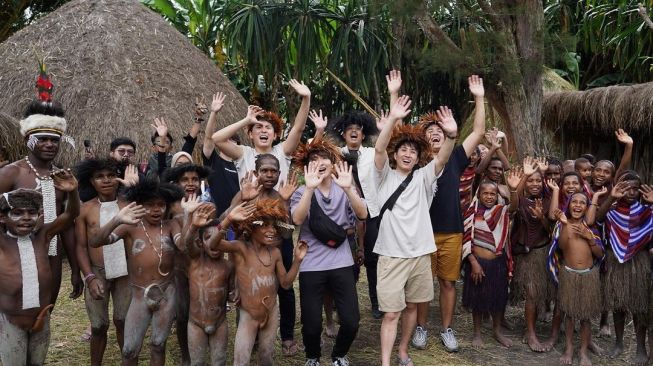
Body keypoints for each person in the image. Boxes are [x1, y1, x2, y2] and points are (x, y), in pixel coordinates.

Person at [373, 95, 457, 366]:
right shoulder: (384, 176)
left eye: (413, 151)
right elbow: (378, 149)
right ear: (395, 155)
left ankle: (403, 352)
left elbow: (442, 158)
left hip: (421, 254)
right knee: (391, 314)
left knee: (412, 307)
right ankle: (386, 362)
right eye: (403, 150)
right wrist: (394, 118)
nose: (408, 154)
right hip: (391, 256)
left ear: (419, 156)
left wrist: (452, 135)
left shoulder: (424, 177)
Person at [414, 74, 486, 352]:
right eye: (431, 132)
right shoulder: (416, 162)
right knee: (422, 286)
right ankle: (420, 327)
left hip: (452, 232)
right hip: (422, 233)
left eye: (441, 131)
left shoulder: (456, 157)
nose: (436, 134)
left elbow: (478, 133)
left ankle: (446, 329)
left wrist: (479, 97)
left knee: (447, 283)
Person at [0, 64, 83, 305]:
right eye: (43, 139)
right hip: (13, 251)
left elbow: (67, 224)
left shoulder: (62, 178)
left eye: (54, 140)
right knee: (13, 312)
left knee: (45, 309)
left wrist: (76, 269)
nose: (50, 144)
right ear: (28, 140)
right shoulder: (10, 173)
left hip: (51, 253)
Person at [89, 179, 185, 366]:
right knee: (129, 350)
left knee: (158, 344)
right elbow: (95, 241)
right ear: (140, 205)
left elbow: (184, 246)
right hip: (139, 296)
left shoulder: (172, 226)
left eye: (161, 205)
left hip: (166, 293)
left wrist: (191, 221)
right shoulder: (130, 227)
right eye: (150, 205)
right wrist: (116, 219)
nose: (156, 210)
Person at [290, 137, 368, 366]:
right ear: (307, 166)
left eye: (325, 157)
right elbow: (297, 218)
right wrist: (309, 189)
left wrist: (348, 188)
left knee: (352, 321)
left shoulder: (344, 188)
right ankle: (312, 356)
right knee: (312, 324)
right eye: (314, 159)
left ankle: (339, 355)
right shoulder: (302, 191)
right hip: (312, 265)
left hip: (342, 262)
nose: (320, 162)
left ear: (333, 163)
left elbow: (363, 214)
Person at [203, 199, 308, 366]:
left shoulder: (275, 253)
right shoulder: (240, 248)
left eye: (274, 226)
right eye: (265, 225)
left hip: (271, 314)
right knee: (241, 360)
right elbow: (213, 244)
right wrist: (228, 219)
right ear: (251, 227)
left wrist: (297, 261)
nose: (271, 230)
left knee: (266, 358)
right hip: (249, 315)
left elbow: (286, 284)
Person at [0, 169, 80, 365]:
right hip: (11, 322)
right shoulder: (2, 242)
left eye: (32, 212)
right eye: (17, 213)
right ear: (2, 218)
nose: (26, 218)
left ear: (40, 215)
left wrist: (73, 192)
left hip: (41, 320)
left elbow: (71, 214)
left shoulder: (43, 236)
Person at [226, 153, 301, 356]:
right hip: (246, 255)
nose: (269, 175)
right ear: (256, 173)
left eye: (273, 171)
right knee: (244, 295)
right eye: (264, 171)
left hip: (274, 254)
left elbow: (286, 233)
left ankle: (283, 336)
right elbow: (227, 219)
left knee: (280, 290)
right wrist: (243, 198)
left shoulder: (279, 196)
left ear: (279, 173)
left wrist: (284, 203)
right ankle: (249, 340)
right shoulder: (246, 192)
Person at [318, 107, 382, 319]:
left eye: (358, 129)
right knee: (342, 260)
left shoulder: (373, 154)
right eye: (349, 129)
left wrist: (383, 131)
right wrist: (319, 129)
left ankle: (376, 301)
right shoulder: (334, 154)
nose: (354, 132)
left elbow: (386, 150)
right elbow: (313, 151)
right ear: (343, 134)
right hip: (342, 215)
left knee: (372, 260)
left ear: (364, 134)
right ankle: (339, 301)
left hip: (372, 213)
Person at [74, 158, 138, 365]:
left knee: (123, 321)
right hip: (97, 271)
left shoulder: (129, 205)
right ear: (91, 181)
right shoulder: (85, 209)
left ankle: (128, 361)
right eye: (100, 177)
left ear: (118, 178)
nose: (106, 180)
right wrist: (90, 277)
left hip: (125, 272)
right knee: (98, 325)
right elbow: (81, 246)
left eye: (111, 175)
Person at [588, 171, 653, 365]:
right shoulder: (611, 210)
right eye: (626, 188)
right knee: (617, 304)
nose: (631, 192)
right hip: (615, 261)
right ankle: (618, 343)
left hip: (639, 264)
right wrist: (611, 199)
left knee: (639, 306)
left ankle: (640, 347)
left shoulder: (647, 211)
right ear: (618, 188)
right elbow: (596, 220)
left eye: (635, 188)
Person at [212, 80, 311, 188]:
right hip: (249, 205)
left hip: (278, 204)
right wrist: (247, 120)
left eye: (268, 128)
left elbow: (298, 129)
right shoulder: (243, 153)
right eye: (258, 127)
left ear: (274, 136)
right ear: (250, 135)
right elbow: (216, 139)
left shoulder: (282, 151)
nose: (263, 130)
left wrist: (306, 98)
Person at [462, 172, 521, 349]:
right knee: (477, 299)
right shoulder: (471, 214)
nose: (489, 196)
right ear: (479, 195)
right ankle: (477, 333)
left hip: (498, 264)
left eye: (492, 194)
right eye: (485, 193)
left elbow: (514, 206)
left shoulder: (501, 212)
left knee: (498, 298)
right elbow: (465, 241)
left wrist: (512, 188)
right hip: (478, 263)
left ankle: (496, 331)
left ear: (497, 196)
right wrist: (473, 262)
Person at [162, 163, 212, 366]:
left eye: (194, 179)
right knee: (182, 313)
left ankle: (202, 346)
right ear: (176, 182)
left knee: (203, 309)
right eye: (185, 180)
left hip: (201, 265)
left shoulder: (205, 202)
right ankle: (186, 355)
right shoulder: (170, 206)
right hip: (179, 267)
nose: (190, 183)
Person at [548, 193, 604, 366]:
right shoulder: (561, 225)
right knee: (570, 315)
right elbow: (562, 246)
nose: (578, 205)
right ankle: (569, 348)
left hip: (589, 276)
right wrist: (565, 224)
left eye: (582, 203)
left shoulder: (591, 227)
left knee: (586, 316)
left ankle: (583, 352)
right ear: (568, 205)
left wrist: (590, 239)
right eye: (574, 202)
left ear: (587, 208)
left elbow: (600, 254)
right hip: (569, 275)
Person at [178, 203, 234, 366]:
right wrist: (193, 225)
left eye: (219, 238)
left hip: (220, 322)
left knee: (219, 361)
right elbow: (187, 243)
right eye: (208, 238)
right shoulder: (195, 262)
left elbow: (231, 290)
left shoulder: (228, 266)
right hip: (195, 324)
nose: (214, 243)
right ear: (200, 243)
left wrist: (234, 294)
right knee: (197, 363)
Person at [509, 157, 554, 352]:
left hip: (543, 253)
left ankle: (530, 329)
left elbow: (550, 229)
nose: (534, 184)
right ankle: (532, 334)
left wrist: (542, 217)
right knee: (532, 295)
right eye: (530, 181)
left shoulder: (547, 200)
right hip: (526, 256)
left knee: (536, 296)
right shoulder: (521, 200)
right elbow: (513, 204)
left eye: (538, 181)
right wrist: (524, 176)